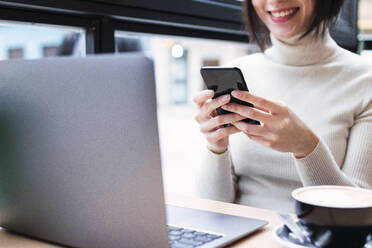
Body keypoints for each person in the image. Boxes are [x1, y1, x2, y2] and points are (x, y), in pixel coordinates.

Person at [193, 0, 372, 212]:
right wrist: (216, 148)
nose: (275, 1)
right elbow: (211, 207)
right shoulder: (242, 70)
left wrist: (306, 147)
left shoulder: (365, 80)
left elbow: (359, 211)